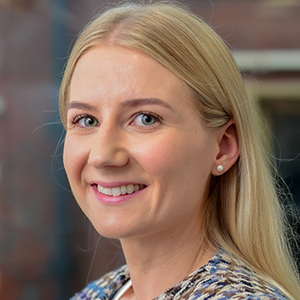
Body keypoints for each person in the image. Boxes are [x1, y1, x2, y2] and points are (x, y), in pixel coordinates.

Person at [59, 1, 300, 299]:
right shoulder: (101, 293)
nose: (103, 155)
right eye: (86, 120)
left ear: (223, 146)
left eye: (146, 119)